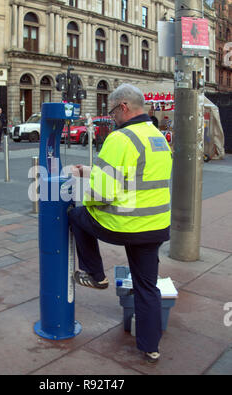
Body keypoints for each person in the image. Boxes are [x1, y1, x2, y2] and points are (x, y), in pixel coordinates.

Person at [68, 83, 172, 364]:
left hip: (123, 224)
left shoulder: (120, 138)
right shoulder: (158, 137)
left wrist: (84, 189)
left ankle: (95, 273)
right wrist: (91, 171)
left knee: (77, 216)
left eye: (113, 110)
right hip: (155, 226)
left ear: (124, 107)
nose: (112, 116)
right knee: (147, 287)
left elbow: (103, 192)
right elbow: (136, 177)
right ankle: (151, 348)